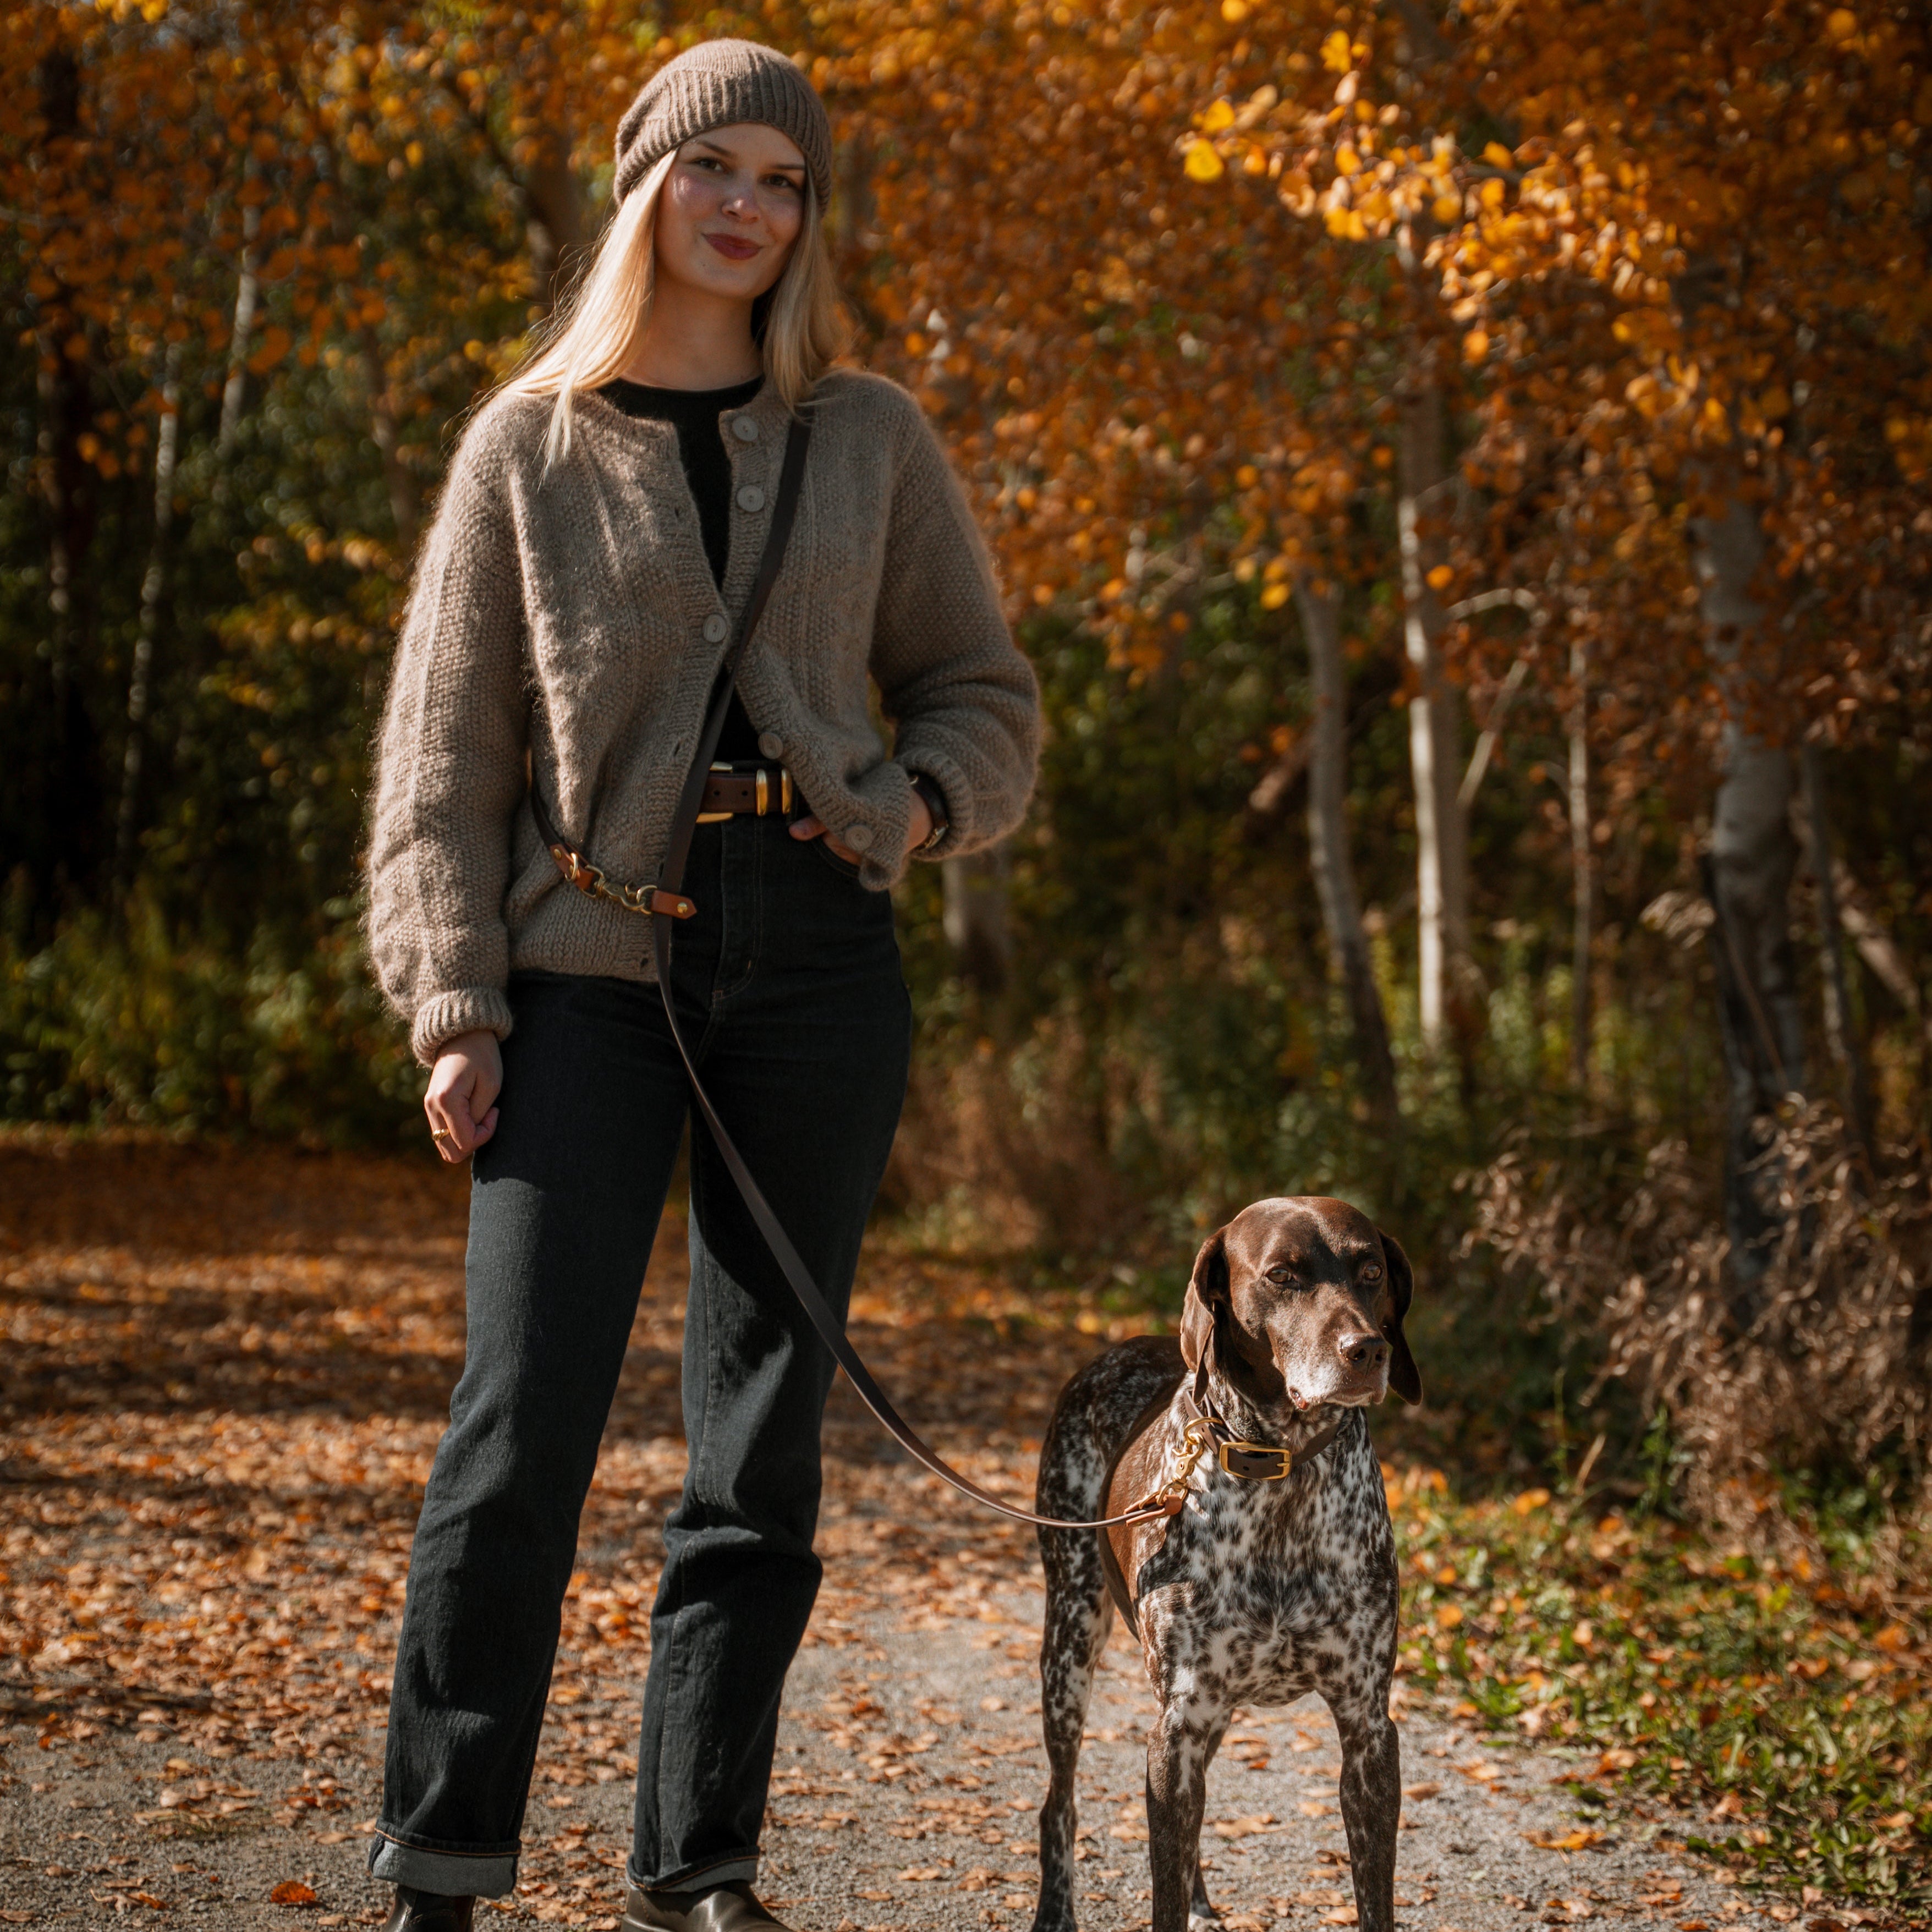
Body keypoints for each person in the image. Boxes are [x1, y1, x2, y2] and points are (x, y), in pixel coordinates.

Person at [360, 38, 1040, 1932]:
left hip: (821, 967)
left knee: (761, 1451)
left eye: (784, 180)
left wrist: (917, 801)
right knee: (518, 1432)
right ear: (644, 185)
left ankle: (702, 1863)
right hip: (584, 968)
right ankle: (443, 1859)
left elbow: (985, 692)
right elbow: (442, 764)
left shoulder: (868, 436)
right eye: (711, 167)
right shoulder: (530, 442)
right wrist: (457, 1004)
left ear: (809, 217)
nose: (747, 205)